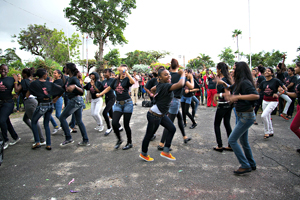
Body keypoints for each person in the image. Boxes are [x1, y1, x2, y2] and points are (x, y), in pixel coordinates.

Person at [139, 68, 186, 162]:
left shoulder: (160, 85)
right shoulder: (166, 86)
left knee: (172, 129)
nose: (169, 76)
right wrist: (183, 74)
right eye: (165, 75)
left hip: (159, 114)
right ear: (159, 77)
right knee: (149, 135)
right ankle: (144, 154)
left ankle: (166, 151)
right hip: (154, 115)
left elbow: (152, 89)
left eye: (169, 74)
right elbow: (181, 84)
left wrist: (157, 97)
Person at [222, 61, 259, 174]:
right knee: (244, 141)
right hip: (241, 115)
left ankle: (245, 164)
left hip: (246, 116)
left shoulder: (245, 83)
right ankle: (251, 164)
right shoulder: (238, 82)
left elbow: (256, 95)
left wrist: (239, 96)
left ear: (240, 70)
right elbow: (229, 88)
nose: (232, 71)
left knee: (232, 140)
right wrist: (222, 90)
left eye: (234, 69)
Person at [157, 59, 194, 150]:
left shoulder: (168, 75)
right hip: (175, 101)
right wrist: (191, 77)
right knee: (169, 124)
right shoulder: (180, 76)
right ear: (178, 66)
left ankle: (184, 137)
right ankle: (161, 144)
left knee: (180, 118)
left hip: (168, 100)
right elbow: (191, 87)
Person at [97, 64, 135, 150]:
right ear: (119, 71)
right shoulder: (115, 80)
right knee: (114, 123)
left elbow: (132, 82)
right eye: (122, 70)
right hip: (118, 104)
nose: (124, 72)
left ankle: (129, 142)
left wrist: (127, 73)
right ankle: (119, 140)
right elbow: (109, 88)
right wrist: (100, 94)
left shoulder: (127, 79)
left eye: (125, 70)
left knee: (126, 125)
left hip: (127, 104)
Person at [28, 68, 64, 150]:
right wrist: (55, 99)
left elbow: (28, 93)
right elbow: (61, 90)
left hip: (41, 105)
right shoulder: (49, 84)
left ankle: (37, 141)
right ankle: (48, 144)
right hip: (50, 105)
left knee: (33, 122)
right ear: (44, 75)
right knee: (46, 124)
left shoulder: (34, 83)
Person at [59, 63, 90, 146]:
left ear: (69, 69)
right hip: (76, 101)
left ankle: (68, 138)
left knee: (62, 117)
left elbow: (82, 91)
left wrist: (75, 87)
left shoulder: (73, 79)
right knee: (79, 121)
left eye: (66, 67)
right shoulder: (69, 78)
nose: (64, 68)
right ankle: (85, 140)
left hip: (75, 100)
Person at [15, 68, 46, 145]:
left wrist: (15, 80)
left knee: (34, 121)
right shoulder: (31, 81)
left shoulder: (24, 81)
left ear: (25, 74)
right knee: (25, 119)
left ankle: (41, 139)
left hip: (29, 102)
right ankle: (36, 134)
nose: (21, 74)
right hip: (33, 101)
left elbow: (17, 89)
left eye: (22, 73)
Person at [258, 67, 287, 139]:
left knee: (263, 115)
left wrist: (278, 93)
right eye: (266, 71)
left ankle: (266, 132)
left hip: (273, 101)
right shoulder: (263, 82)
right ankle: (270, 131)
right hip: (265, 100)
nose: (266, 72)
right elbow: (258, 90)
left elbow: (285, 89)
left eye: (268, 71)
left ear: (272, 73)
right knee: (267, 116)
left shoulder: (276, 81)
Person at [279, 62, 300, 153]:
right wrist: (284, 93)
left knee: (293, 127)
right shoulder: (299, 80)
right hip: (299, 104)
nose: (295, 68)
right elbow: (296, 94)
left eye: (296, 67)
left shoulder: (295, 79)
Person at [213, 62, 233, 152]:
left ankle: (219, 145)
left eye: (217, 68)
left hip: (223, 104)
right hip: (228, 105)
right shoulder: (227, 78)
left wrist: (217, 95)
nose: (216, 70)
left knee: (217, 124)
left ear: (220, 69)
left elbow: (227, 93)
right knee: (227, 123)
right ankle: (231, 145)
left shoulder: (224, 80)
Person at [0, 64, 21, 150]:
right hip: (0, 104)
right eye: (1, 69)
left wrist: (17, 94)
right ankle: (15, 137)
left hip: (8, 103)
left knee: (1, 121)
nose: (3, 71)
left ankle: (5, 140)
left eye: (5, 69)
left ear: (8, 71)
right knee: (6, 121)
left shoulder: (11, 79)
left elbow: (19, 88)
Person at [101, 69, 119, 136]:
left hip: (112, 97)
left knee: (105, 112)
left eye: (106, 72)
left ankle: (109, 128)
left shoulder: (112, 80)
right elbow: (101, 89)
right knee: (111, 114)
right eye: (104, 72)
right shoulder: (104, 81)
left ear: (110, 73)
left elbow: (115, 88)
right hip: (106, 98)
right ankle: (119, 126)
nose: (104, 74)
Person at [51, 70, 65, 134]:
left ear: (59, 74)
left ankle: (67, 127)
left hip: (58, 99)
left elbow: (61, 91)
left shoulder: (60, 81)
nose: (54, 74)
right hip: (52, 99)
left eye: (55, 73)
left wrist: (56, 98)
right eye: (53, 73)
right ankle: (56, 126)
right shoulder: (55, 81)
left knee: (58, 114)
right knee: (47, 114)